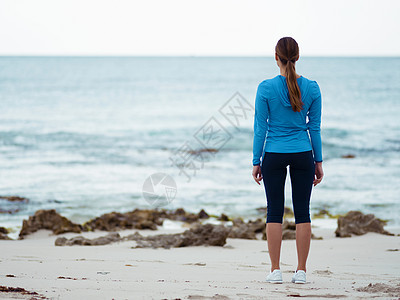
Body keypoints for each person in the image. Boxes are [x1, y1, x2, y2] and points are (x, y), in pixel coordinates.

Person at [252, 37, 324, 284]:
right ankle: (301, 271)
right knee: (303, 212)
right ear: (298, 57)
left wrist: (255, 160)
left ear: (276, 58)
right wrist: (319, 161)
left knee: (274, 212)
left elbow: (260, 128)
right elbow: (314, 128)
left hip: (273, 153)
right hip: (303, 153)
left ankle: (275, 271)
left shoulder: (265, 88)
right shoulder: (312, 88)